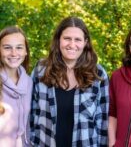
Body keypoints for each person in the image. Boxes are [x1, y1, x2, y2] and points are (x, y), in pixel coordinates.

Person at [30, 16, 109, 147]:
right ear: (58, 40)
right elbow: (32, 115)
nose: (72, 45)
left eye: (77, 39)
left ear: (85, 42)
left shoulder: (98, 74)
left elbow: (103, 121)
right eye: (67, 38)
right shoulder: (41, 70)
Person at [0, 26, 32, 147]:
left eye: (19, 47)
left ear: (26, 51)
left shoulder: (29, 82)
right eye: (7, 48)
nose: (14, 53)